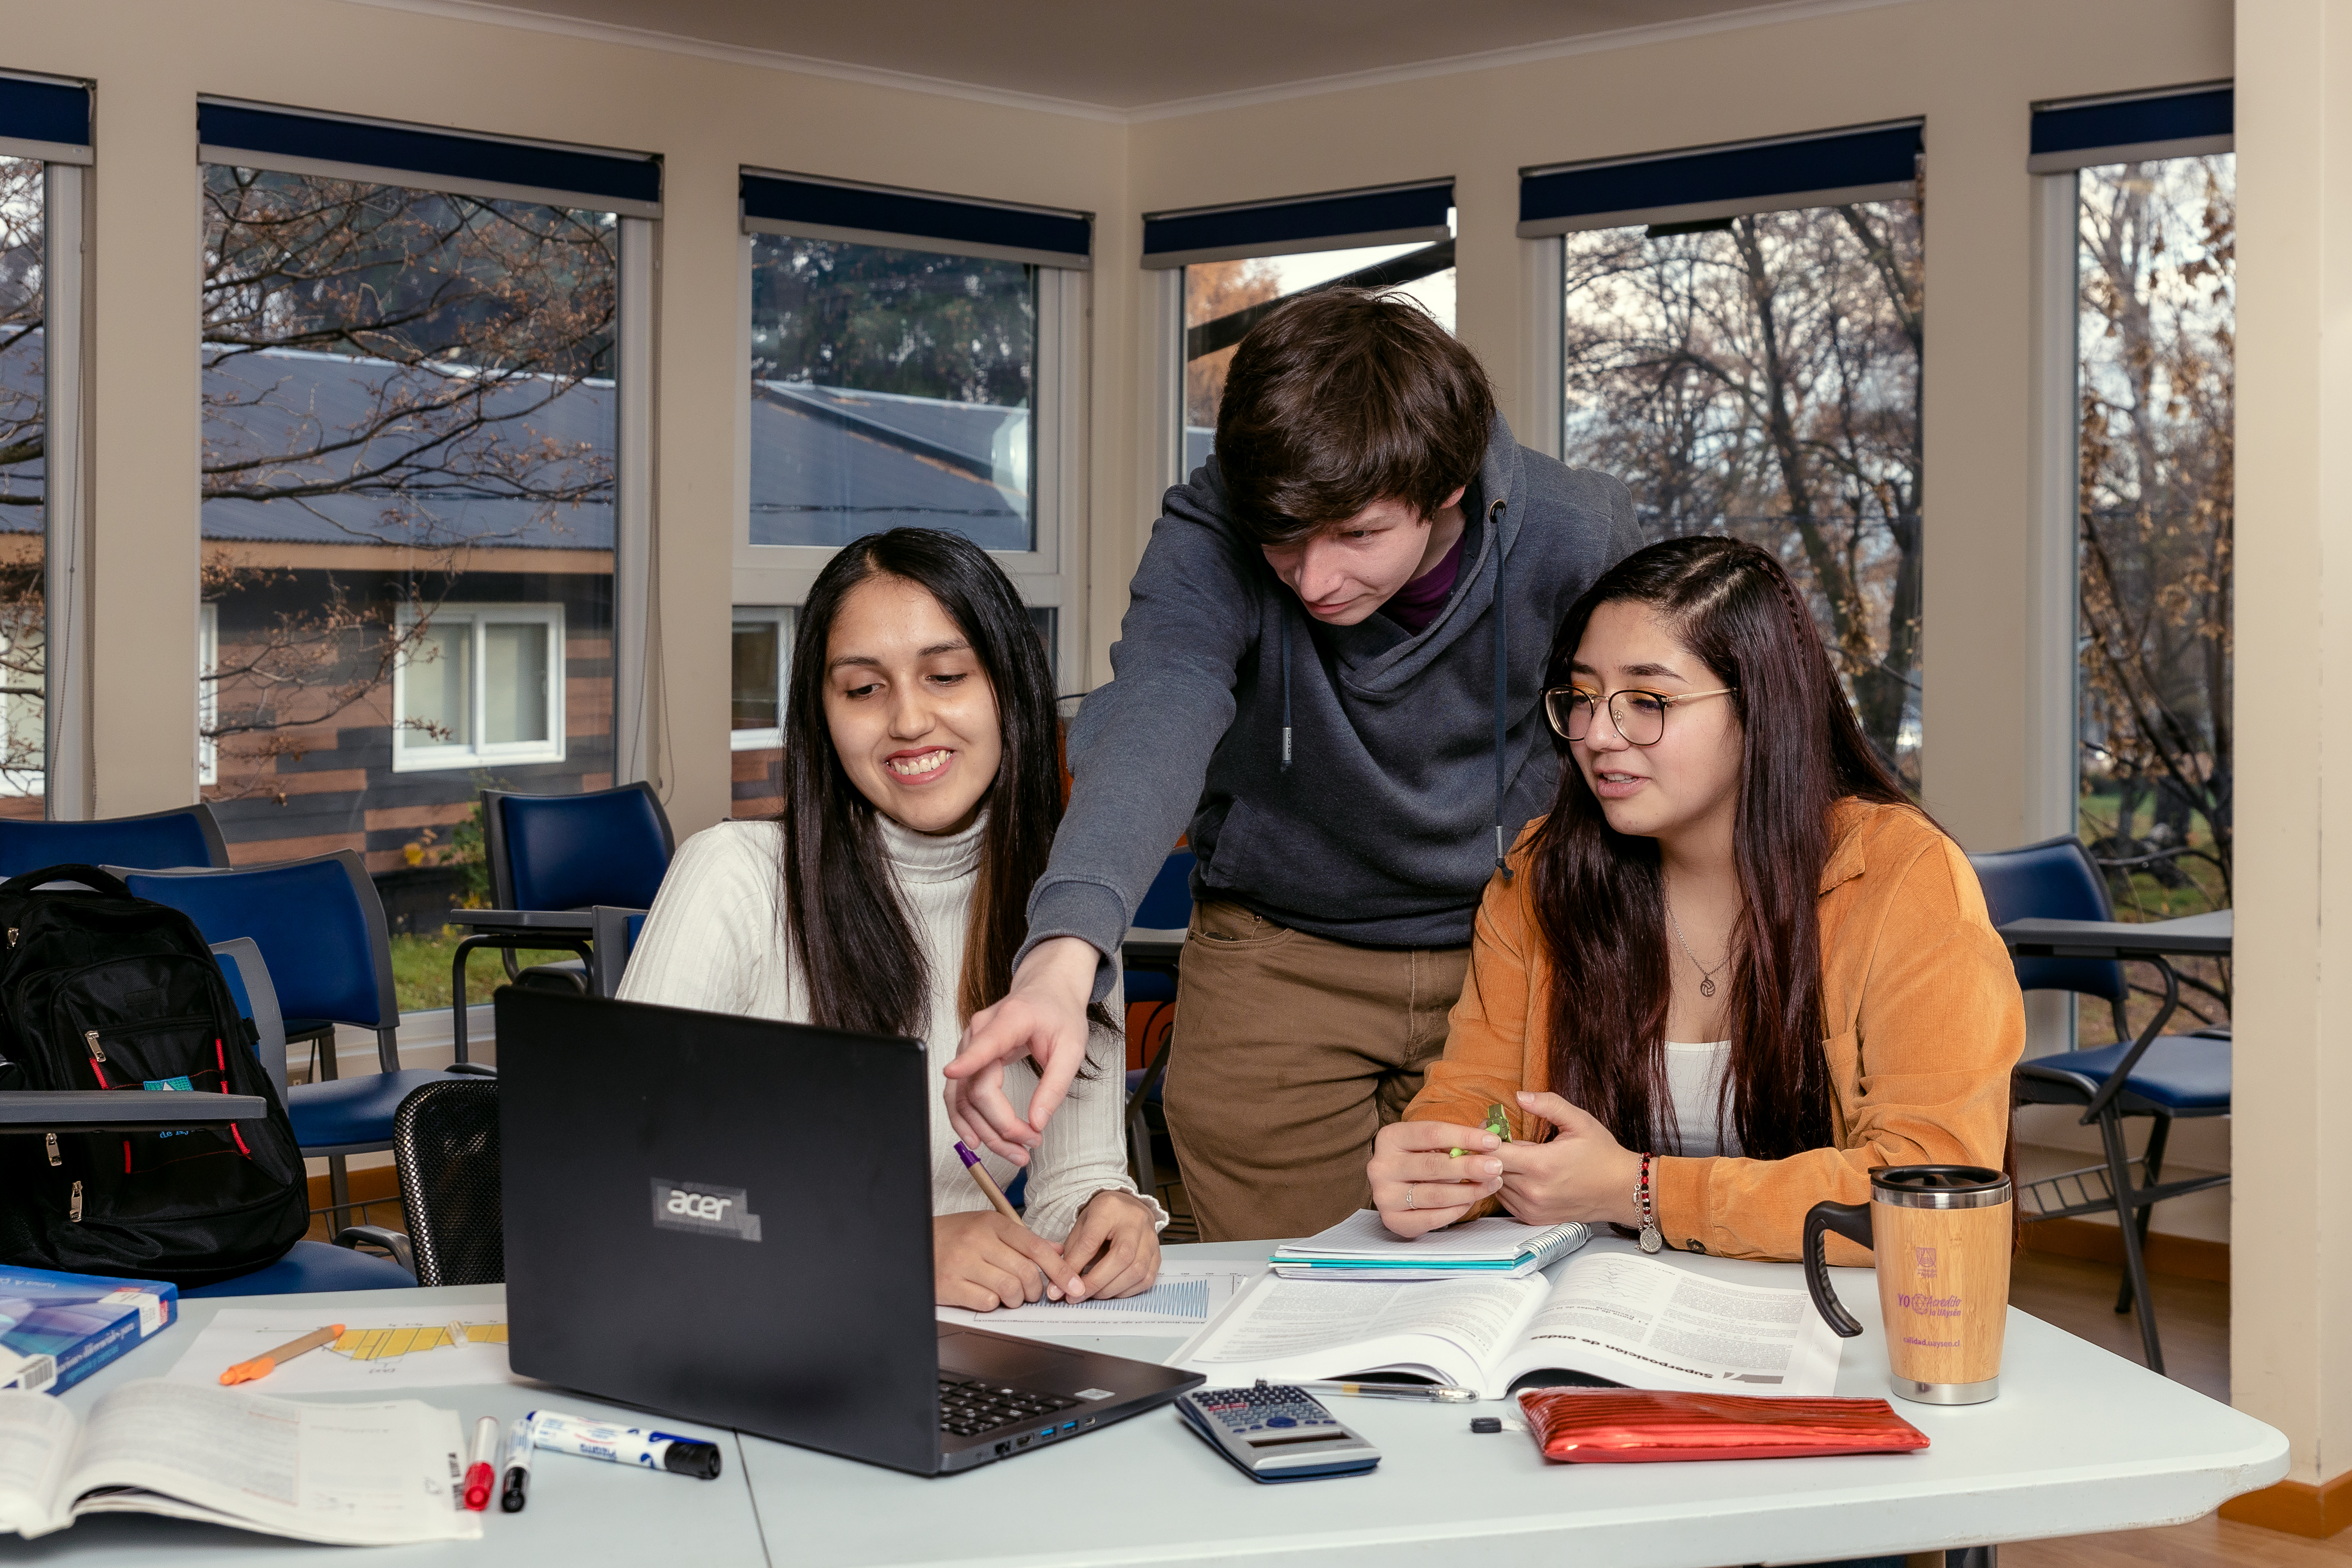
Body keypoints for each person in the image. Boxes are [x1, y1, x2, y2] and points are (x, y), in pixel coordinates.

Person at [941, 288, 1641, 1243]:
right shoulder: (1211, 530)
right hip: (1278, 959)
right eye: (1284, 539)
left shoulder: (1576, 532)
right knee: (1301, 1317)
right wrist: (1063, 958)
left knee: (1505, 1298)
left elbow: (1649, 742)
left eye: (1357, 535)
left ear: (1444, 491)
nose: (1314, 583)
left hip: (1512, 949)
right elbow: (1159, 705)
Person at [1370, 536, 2023, 1258]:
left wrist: (1640, 1190)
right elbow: (1480, 1098)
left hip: (1831, 1326)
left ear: (1760, 707)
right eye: (1581, 698)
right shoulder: (1540, 872)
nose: (1597, 735)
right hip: (1594, 1315)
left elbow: (1925, 1192)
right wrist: (1441, 1169)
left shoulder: (1906, 874)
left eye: (1647, 701)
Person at [617, 528, 1163, 1309]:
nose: (908, 720)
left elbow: (1071, 1178)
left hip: (973, 1349)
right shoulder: (732, 878)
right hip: (757, 1333)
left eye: (945, 675)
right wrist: (897, 1248)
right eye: (863, 688)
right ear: (823, 715)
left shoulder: (1067, 917)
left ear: (1008, 687)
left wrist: (1110, 1216)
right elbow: (631, 1187)